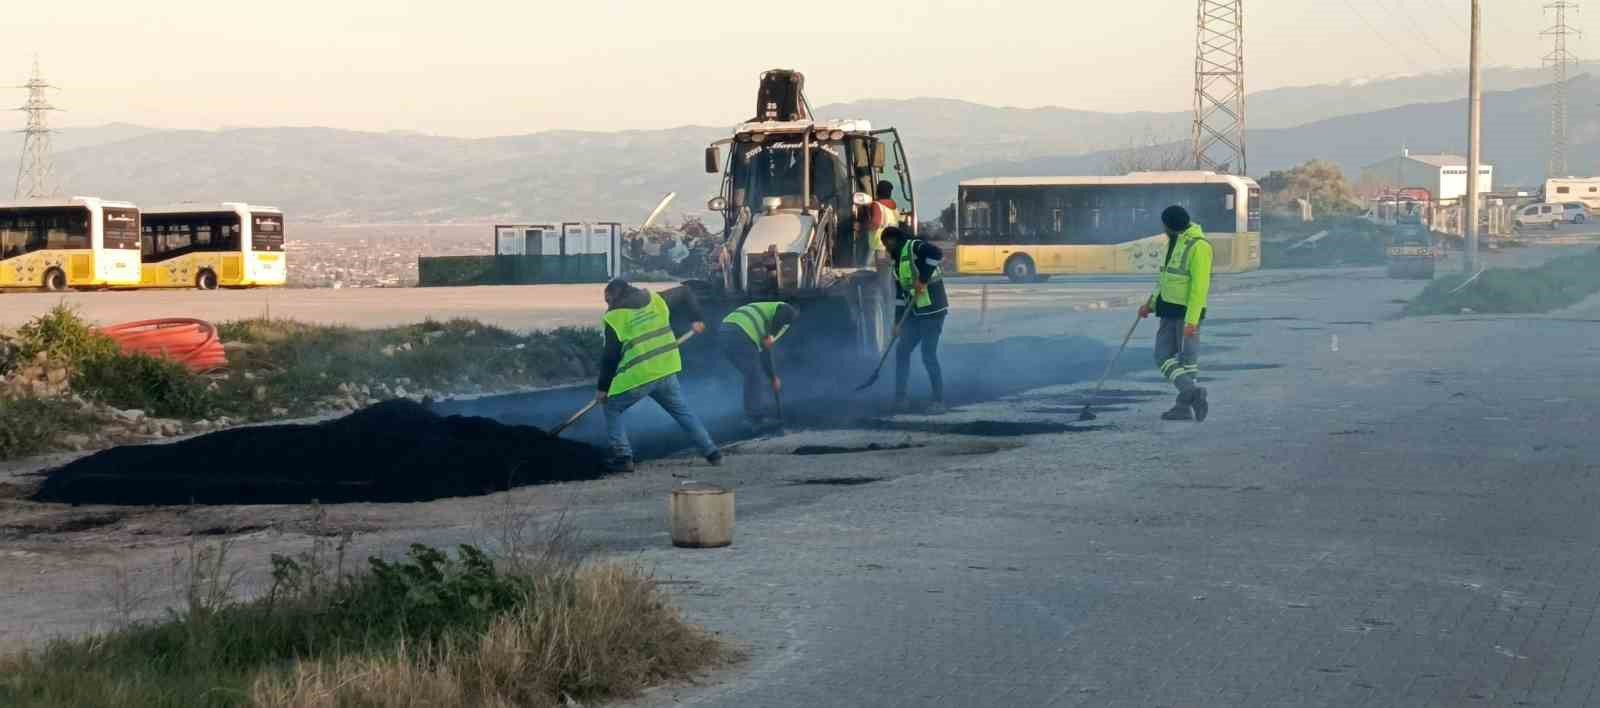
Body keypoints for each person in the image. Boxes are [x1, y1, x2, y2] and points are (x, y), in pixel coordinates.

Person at [596, 279, 721, 472]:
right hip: (665, 369)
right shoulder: (656, 299)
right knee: (682, 412)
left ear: (615, 296)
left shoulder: (614, 317)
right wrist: (695, 318)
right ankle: (712, 452)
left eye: (608, 300)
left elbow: (610, 356)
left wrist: (603, 389)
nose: (608, 305)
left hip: (640, 376)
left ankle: (623, 457)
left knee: (612, 407)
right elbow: (686, 291)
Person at [1137, 205, 1212, 422]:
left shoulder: (1200, 246)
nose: (1163, 228)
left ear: (1170, 225)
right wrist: (1149, 304)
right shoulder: (1173, 242)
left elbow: (1200, 286)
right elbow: (1165, 279)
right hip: (1167, 309)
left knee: (1188, 360)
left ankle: (1183, 405)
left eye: (1164, 225)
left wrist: (1192, 320)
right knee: (1163, 357)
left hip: (1188, 314)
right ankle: (1191, 393)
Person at [880, 225, 948, 414]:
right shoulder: (897, 263)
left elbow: (936, 253)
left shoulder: (914, 246)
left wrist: (923, 279)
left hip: (933, 311)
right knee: (902, 351)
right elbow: (901, 297)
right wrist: (896, 322)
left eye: (886, 244)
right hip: (915, 314)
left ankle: (938, 401)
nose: (886, 249)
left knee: (928, 355)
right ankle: (900, 399)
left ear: (893, 240)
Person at [719, 301, 800, 431]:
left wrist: (772, 377)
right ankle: (755, 419)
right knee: (754, 375)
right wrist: (770, 335)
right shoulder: (785, 309)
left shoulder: (766, 318)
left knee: (752, 374)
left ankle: (754, 416)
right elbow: (784, 311)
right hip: (741, 331)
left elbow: (764, 353)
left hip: (725, 331)